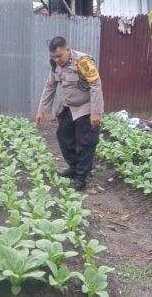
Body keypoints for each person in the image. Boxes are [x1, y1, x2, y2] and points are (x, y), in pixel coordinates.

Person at [35, 36, 104, 191]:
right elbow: (49, 86)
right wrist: (41, 110)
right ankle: (74, 167)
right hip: (70, 106)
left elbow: (95, 84)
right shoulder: (55, 65)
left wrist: (95, 112)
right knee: (62, 134)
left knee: (85, 141)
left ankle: (81, 177)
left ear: (68, 49)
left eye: (59, 56)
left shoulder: (83, 62)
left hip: (87, 106)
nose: (57, 60)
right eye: (53, 57)